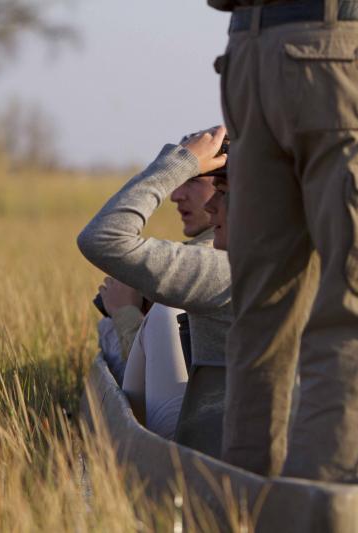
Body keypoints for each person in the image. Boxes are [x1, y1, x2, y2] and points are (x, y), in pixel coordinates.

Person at [210, 0, 358, 484]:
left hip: (248, 54)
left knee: (261, 314)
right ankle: (320, 506)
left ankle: (247, 508)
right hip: (340, 53)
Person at [79, 127, 232, 440]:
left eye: (195, 179)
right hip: (249, 441)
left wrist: (126, 316)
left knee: (163, 315)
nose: (177, 195)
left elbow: (103, 237)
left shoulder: (225, 270)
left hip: (208, 447)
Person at [95, 165, 221, 385]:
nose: (176, 195)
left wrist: (124, 312)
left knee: (114, 327)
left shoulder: (210, 258)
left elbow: (163, 378)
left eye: (193, 180)